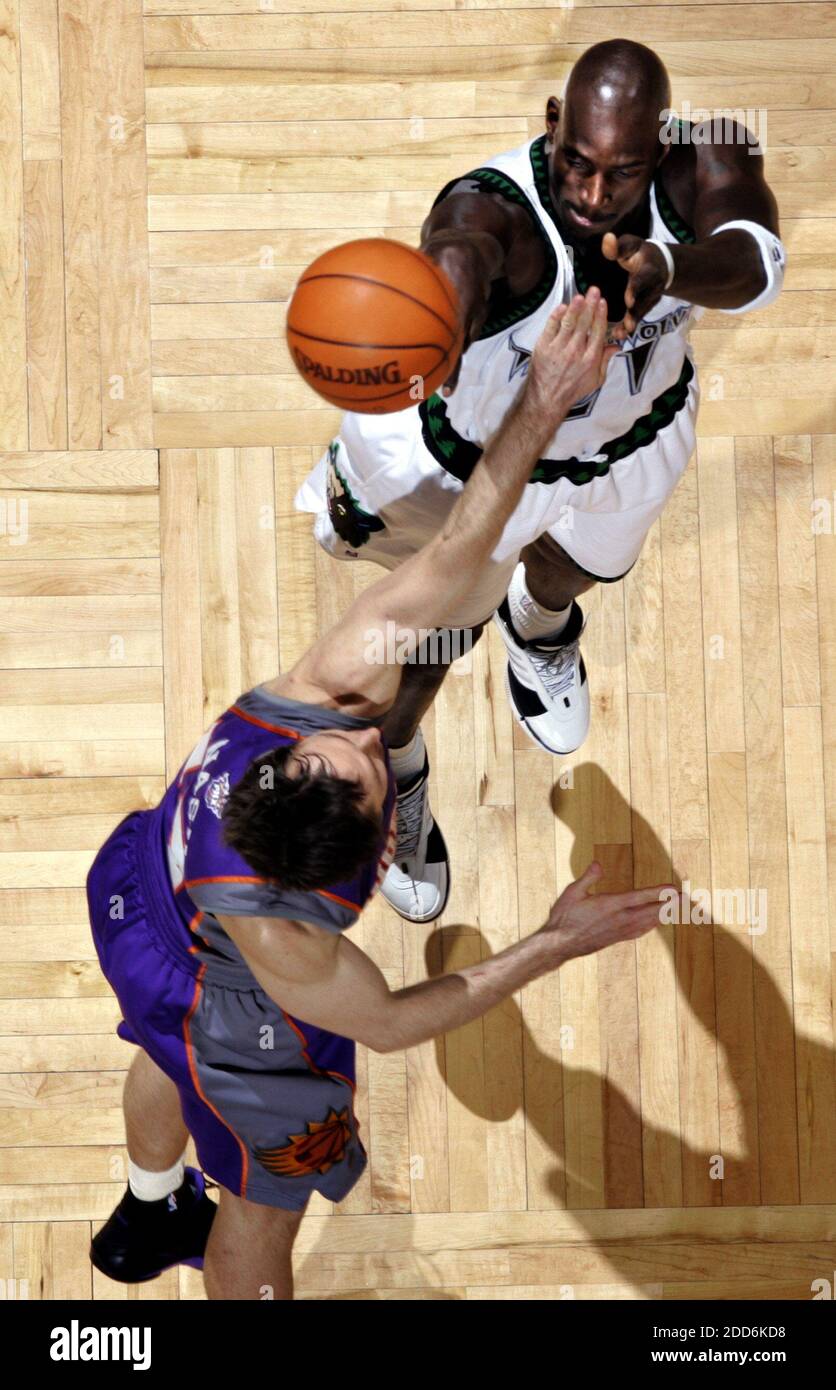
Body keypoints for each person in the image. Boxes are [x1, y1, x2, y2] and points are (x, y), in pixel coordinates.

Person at [88, 290, 672, 1301]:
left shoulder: (318, 694)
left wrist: (541, 403)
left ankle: (147, 1202)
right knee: (261, 1207)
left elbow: (450, 558)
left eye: (349, 748)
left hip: (139, 896)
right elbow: (395, 1022)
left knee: (157, 1042)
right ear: (331, 873)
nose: (369, 733)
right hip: (226, 1004)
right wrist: (552, 939)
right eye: (369, 773)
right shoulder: (287, 946)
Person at [294, 37, 785, 923]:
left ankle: (543, 629)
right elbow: (459, 254)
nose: (594, 194)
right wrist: (440, 311)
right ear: (551, 125)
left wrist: (669, 268)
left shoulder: (716, 154)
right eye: (577, 164)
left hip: (627, 438)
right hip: (487, 466)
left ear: (664, 150)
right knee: (426, 648)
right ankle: (400, 763)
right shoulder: (494, 211)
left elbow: (759, 263)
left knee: (575, 568)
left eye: (622, 173)